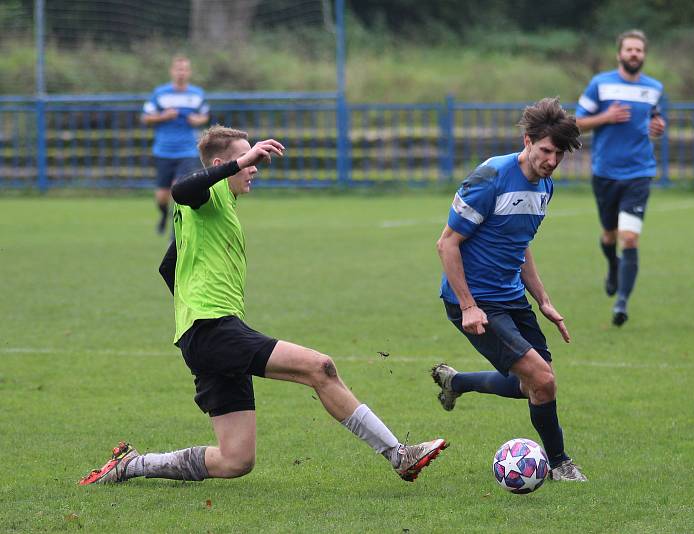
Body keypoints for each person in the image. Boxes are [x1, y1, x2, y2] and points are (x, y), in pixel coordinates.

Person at [79, 125, 447, 486]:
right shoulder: (208, 194)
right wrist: (200, 316)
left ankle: (132, 465)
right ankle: (398, 454)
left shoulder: (212, 211)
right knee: (319, 368)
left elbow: (167, 266)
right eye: (246, 157)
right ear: (222, 163)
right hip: (211, 329)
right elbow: (180, 189)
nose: (254, 165)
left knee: (235, 460)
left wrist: (189, 311)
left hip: (206, 333)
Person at [431, 97, 587, 482]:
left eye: (559, 155)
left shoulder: (545, 187)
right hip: (475, 300)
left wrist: (544, 300)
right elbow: (446, 244)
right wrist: (468, 306)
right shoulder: (491, 177)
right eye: (546, 150)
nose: (551, 161)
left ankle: (457, 382)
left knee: (533, 386)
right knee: (543, 380)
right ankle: (560, 463)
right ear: (528, 141)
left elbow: (520, 245)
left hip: (510, 295)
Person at [574, 29, 666, 326]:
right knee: (609, 236)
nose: (634, 54)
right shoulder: (600, 85)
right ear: (619, 54)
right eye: (629, 49)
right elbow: (575, 122)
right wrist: (606, 117)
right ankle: (613, 265)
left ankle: (621, 303)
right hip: (605, 173)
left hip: (639, 172)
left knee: (630, 237)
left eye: (639, 50)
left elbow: (654, 118)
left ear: (644, 55)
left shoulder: (654, 88)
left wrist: (658, 126)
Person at [142, 55, 210, 235]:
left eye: (185, 69)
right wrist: (163, 116)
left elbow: (204, 115)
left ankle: (175, 233)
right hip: (163, 150)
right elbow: (146, 117)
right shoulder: (160, 93)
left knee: (178, 190)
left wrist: (197, 120)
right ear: (172, 71)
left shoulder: (196, 94)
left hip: (187, 150)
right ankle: (164, 214)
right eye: (178, 69)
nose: (181, 72)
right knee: (162, 196)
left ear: (189, 72)